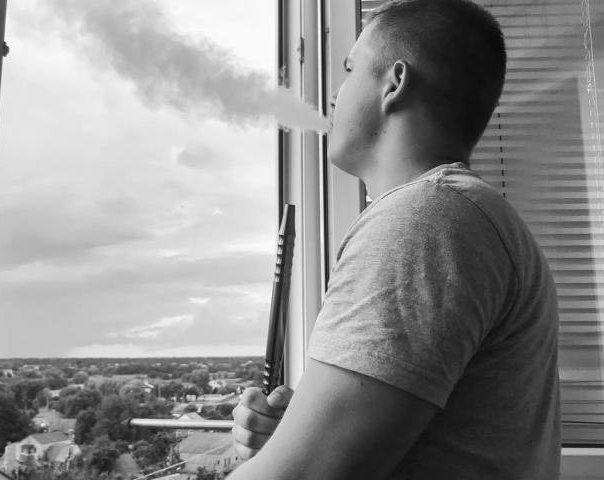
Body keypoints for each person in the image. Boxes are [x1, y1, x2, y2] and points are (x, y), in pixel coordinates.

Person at [228, 0, 561, 478]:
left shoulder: (425, 219)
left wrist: (293, 460)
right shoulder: (463, 214)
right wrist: (299, 435)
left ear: (395, 82)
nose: (335, 95)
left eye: (349, 69)